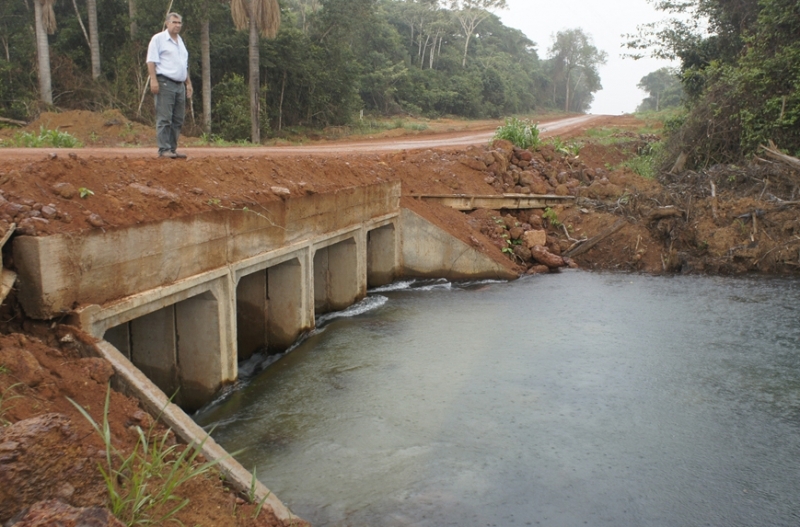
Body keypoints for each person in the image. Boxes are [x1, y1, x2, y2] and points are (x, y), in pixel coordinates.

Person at [146, 13, 192, 158]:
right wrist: (153, 80)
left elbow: (183, 65)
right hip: (165, 82)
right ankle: (163, 149)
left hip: (180, 85)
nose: (177, 25)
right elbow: (151, 61)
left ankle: (172, 149)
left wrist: (188, 83)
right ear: (167, 23)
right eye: (174, 22)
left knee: (178, 119)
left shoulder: (180, 42)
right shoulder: (158, 39)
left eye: (179, 23)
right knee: (164, 117)